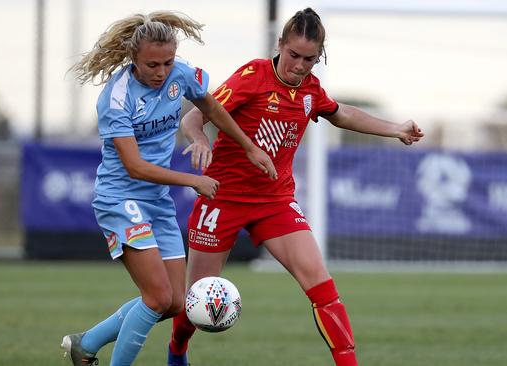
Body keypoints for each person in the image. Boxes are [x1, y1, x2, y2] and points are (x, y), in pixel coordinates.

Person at [167, 7, 424, 366]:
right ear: (280, 45)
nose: (300, 66)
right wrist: (201, 141)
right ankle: (177, 351)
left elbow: (342, 113)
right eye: (294, 55)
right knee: (195, 298)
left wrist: (395, 128)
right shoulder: (252, 76)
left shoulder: (311, 90)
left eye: (310, 59)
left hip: (275, 201)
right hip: (222, 198)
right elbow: (195, 116)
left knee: (322, 286)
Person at [60, 11, 276, 366]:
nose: (161, 72)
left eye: (167, 62)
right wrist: (193, 180)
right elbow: (135, 167)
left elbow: (213, 108)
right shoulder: (116, 97)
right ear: (134, 59)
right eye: (152, 65)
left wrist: (249, 146)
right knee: (157, 297)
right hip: (120, 199)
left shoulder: (182, 73)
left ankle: (87, 344)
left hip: (156, 201)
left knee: (176, 301)